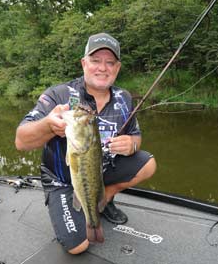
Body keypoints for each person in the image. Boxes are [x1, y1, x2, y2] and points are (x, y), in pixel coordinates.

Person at [15, 33, 156, 254]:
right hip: (61, 179)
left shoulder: (124, 98)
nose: (103, 68)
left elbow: (136, 136)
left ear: (117, 68)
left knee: (148, 163)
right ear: (84, 63)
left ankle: (104, 199)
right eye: (95, 60)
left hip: (101, 170)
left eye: (110, 62)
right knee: (78, 247)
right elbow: (21, 141)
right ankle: (83, 206)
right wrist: (47, 126)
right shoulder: (58, 94)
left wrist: (132, 144)